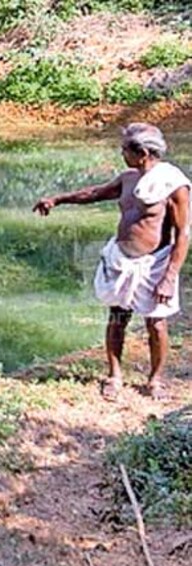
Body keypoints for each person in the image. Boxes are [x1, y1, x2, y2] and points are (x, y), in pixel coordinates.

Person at [33, 123, 190, 400]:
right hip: (122, 260)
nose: (121, 154)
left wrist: (169, 276)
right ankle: (114, 375)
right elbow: (95, 194)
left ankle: (155, 380)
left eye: (124, 150)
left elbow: (183, 234)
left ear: (141, 152)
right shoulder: (128, 178)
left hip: (154, 264)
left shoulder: (172, 185)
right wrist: (57, 199)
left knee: (156, 324)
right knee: (117, 318)